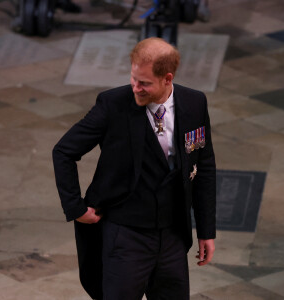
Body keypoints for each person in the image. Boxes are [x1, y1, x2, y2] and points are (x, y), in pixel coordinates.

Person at [53, 37, 216, 300]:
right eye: (133, 79)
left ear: (167, 78)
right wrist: (75, 208)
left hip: (173, 234)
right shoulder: (112, 104)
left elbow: (204, 166)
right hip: (125, 235)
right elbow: (63, 151)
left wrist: (207, 231)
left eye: (144, 83)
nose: (135, 87)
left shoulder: (195, 103)